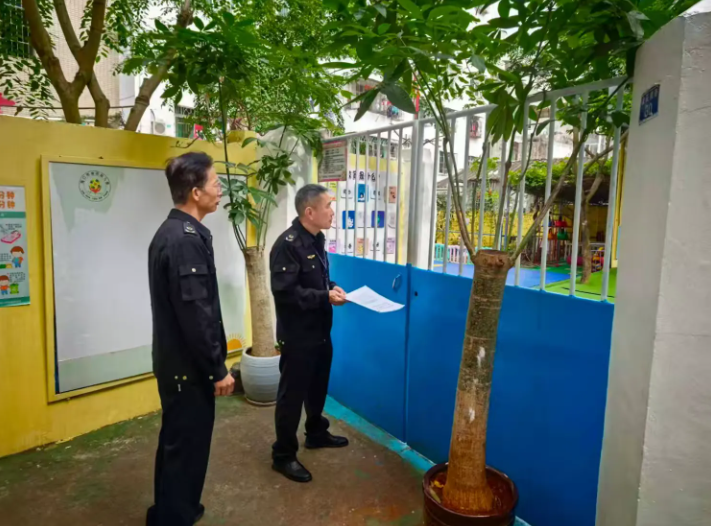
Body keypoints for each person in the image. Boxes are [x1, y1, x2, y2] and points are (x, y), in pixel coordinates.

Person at [147, 152, 235, 526]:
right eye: (215, 183)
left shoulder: (176, 232)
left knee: (178, 443)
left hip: (177, 363)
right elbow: (197, 315)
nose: (220, 190)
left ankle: (172, 510)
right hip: (188, 369)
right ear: (196, 192)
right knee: (187, 447)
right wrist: (217, 369)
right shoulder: (183, 240)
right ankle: (173, 517)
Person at [269, 184, 348, 483]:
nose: (333, 212)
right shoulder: (287, 245)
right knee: (292, 396)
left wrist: (332, 287)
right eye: (328, 206)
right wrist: (324, 296)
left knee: (317, 386)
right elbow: (286, 293)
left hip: (320, 331)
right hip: (298, 335)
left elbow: (316, 280)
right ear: (310, 211)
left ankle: (315, 432)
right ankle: (283, 455)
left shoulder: (317, 239)